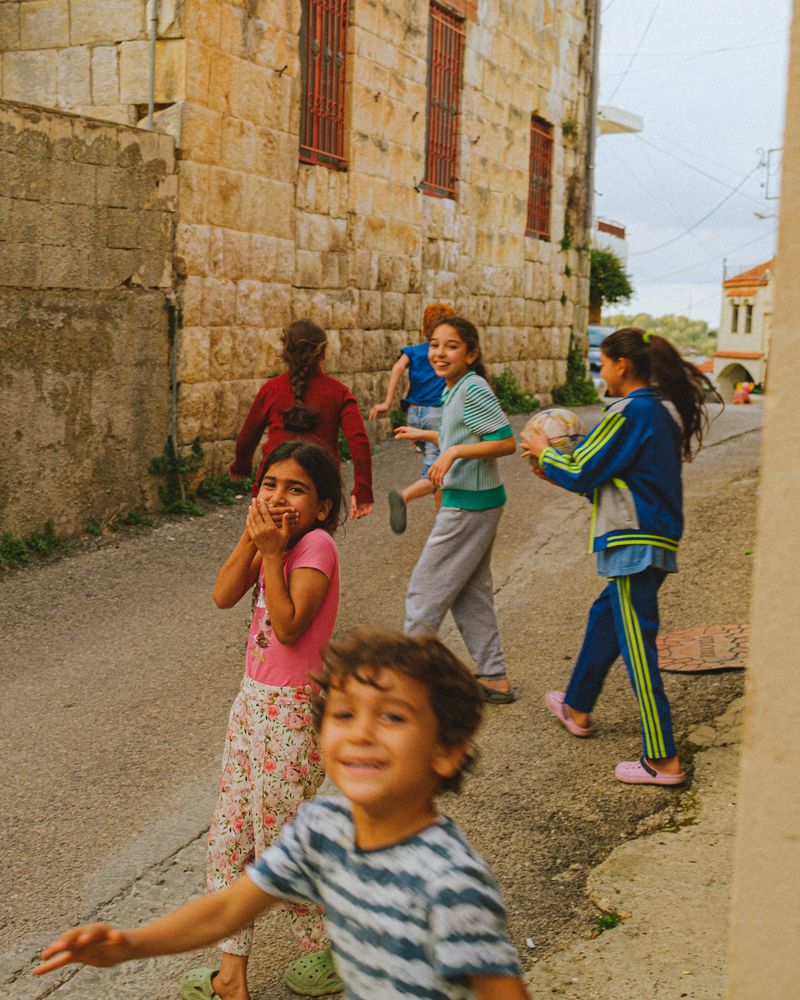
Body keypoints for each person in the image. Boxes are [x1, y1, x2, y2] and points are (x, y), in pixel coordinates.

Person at [34, 629, 531, 1000]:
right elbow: (229, 909)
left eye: (392, 716)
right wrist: (129, 945)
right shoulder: (324, 830)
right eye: (343, 713)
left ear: (446, 751)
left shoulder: (452, 882)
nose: (360, 733)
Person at [521, 327, 714, 786]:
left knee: (638, 648)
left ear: (621, 365)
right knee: (606, 617)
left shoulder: (628, 412)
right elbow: (603, 478)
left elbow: (582, 468)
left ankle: (662, 759)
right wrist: (560, 470)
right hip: (652, 537)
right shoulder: (659, 412)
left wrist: (544, 452)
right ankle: (576, 706)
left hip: (633, 541)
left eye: (603, 364)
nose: (601, 372)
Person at [187, 440, 345, 999]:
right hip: (251, 705)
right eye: (270, 485)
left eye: (296, 489)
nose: (279, 497)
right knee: (229, 838)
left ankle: (330, 950)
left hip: (292, 716)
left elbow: (289, 627)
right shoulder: (272, 540)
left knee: (281, 841)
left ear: (323, 506)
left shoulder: (316, 546)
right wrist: (251, 539)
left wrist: (274, 555)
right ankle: (232, 974)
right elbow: (223, 594)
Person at [395, 317, 517, 704]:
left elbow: (504, 441)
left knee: (424, 592)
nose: (439, 353)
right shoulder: (456, 388)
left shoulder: (472, 388)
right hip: (476, 502)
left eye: (451, 346)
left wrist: (452, 450)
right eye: (434, 344)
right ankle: (494, 677)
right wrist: (431, 436)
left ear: (471, 354)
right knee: (470, 594)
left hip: (467, 506)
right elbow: (464, 434)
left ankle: (408, 687)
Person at [230, 319, 374, 521]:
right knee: (313, 547)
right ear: (323, 353)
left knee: (263, 545)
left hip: (273, 486)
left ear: (286, 351)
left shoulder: (271, 390)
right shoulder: (338, 392)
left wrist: (241, 464)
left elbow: (248, 435)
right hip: (319, 488)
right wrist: (362, 489)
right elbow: (359, 441)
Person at [368, 302, 455, 533]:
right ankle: (404, 496)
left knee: (439, 466)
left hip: (414, 415)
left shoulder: (414, 351)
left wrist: (387, 402)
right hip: (436, 416)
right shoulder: (444, 354)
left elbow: (397, 369)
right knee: (436, 472)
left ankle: (442, 520)